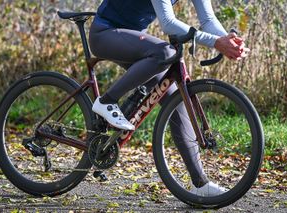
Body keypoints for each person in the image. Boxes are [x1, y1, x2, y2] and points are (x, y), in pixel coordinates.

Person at [89, 0, 249, 196]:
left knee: (175, 100)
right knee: (164, 52)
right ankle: (106, 101)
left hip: (131, 37)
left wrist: (227, 40)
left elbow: (208, 20)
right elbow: (168, 22)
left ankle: (200, 185)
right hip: (105, 33)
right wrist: (216, 42)